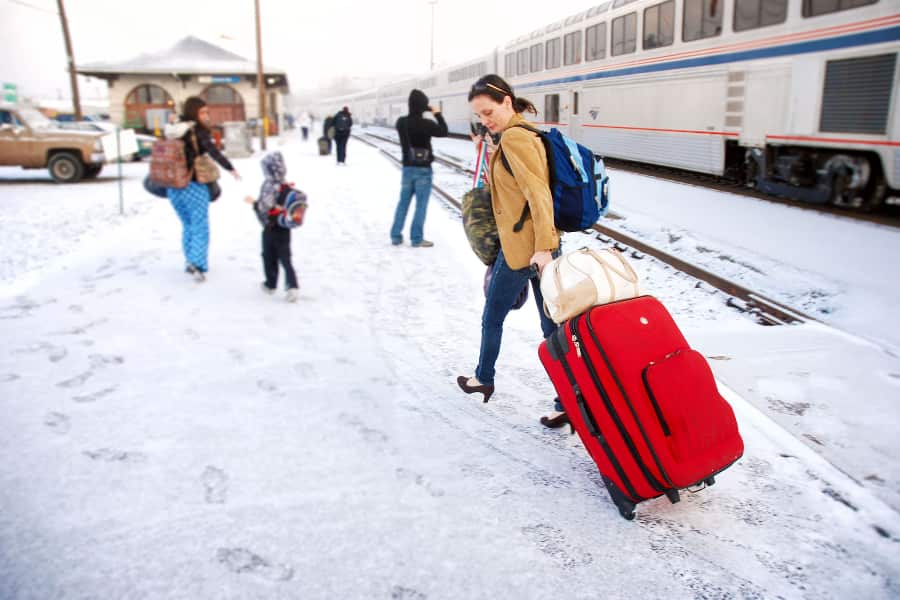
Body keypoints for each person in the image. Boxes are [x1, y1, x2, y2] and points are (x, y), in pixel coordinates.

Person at [457, 74, 563, 426]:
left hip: (525, 250)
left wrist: (544, 248)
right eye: (480, 117)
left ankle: (483, 378)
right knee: (552, 330)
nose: (486, 120)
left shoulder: (516, 138)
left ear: (506, 101)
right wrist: (485, 152)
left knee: (493, 315)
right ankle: (569, 401)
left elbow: (538, 192)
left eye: (489, 112)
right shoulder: (516, 135)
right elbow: (511, 188)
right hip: (536, 247)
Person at [164, 97, 241, 282]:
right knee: (200, 226)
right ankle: (196, 264)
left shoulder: (173, 129)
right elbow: (213, 152)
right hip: (193, 184)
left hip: (173, 186)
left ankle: (189, 260)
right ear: (194, 113)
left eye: (207, 111)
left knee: (188, 225)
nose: (206, 115)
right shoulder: (196, 131)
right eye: (202, 112)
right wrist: (230, 168)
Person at [389, 90, 449, 248]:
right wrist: (437, 114)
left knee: (403, 203)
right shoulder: (426, 124)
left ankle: (395, 236)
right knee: (420, 206)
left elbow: (411, 122)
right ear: (423, 106)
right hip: (423, 170)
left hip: (407, 169)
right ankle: (416, 239)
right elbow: (444, 131)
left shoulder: (401, 122)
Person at [244, 151, 299, 303]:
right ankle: (292, 286)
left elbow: (265, 206)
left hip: (270, 227)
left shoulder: (270, 184)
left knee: (268, 256)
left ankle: (270, 284)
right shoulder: (284, 183)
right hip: (284, 227)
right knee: (286, 258)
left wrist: (253, 203)